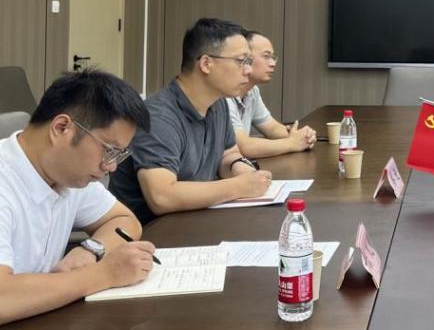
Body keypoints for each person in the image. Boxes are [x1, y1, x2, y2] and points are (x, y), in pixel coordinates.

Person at [0, 71, 157, 330]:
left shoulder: (66, 174)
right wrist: (106, 273)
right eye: (109, 150)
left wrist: (91, 250)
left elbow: (124, 221)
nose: (110, 166)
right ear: (61, 128)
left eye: (118, 155)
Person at [109, 18, 272, 224]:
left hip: (193, 220)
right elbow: (162, 197)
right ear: (206, 64)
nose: (248, 70)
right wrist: (239, 186)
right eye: (241, 61)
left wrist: (242, 170)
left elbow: (228, 155)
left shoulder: (218, 104)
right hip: (149, 232)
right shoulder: (158, 117)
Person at [228, 30, 316, 158]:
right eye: (266, 56)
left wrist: (303, 136)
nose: (273, 63)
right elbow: (244, 146)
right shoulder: (224, 95)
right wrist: (292, 143)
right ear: (245, 58)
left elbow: (271, 128)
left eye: (273, 57)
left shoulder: (252, 91)